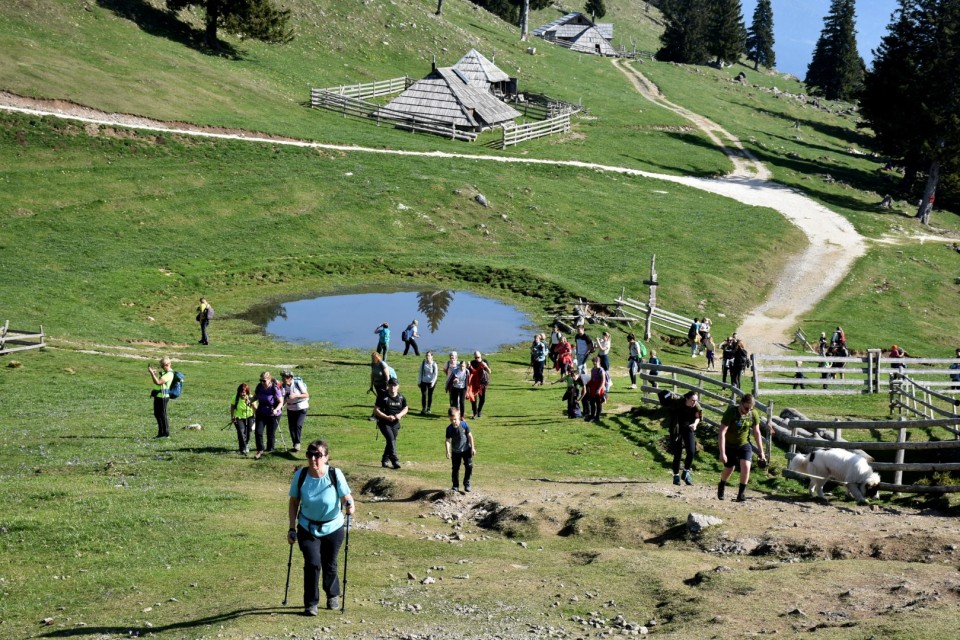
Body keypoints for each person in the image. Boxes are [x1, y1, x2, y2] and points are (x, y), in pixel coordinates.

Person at [287, 439, 355, 615]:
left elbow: (346, 496)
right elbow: (294, 501)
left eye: (318, 455)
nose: (313, 459)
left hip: (333, 527)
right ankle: (311, 603)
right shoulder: (301, 476)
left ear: (326, 457)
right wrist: (292, 528)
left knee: (329, 563)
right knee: (312, 563)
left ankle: (332, 594)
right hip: (307, 527)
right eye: (310, 454)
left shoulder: (335, 474)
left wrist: (349, 505)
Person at [718, 394, 767, 502]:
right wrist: (722, 452)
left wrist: (761, 452)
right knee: (730, 468)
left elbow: (757, 432)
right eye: (746, 408)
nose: (748, 411)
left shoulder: (753, 414)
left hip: (744, 444)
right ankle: (722, 484)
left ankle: (741, 494)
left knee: (746, 466)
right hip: (729, 444)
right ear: (740, 403)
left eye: (750, 408)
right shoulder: (731, 412)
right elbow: (722, 432)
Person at [667, 391, 702, 486]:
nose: (694, 402)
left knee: (691, 451)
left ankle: (686, 472)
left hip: (689, 429)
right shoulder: (678, 403)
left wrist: (695, 424)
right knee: (677, 454)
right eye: (692, 400)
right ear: (687, 399)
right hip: (676, 430)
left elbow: (698, 417)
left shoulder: (696, 406)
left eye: (696, 400)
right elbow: (668, 404)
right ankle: (676, 476)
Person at [374, 378, 408, 469]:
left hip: (395, 424)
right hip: (384, 422)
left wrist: (400, 415)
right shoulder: (382, 396)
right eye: (391, 385)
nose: (392, 387)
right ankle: (394, 460)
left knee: (391, 441)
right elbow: (376, 410)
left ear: (398, 386)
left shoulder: (401, 397)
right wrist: (386, 417)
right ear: (388, 386)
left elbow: (406, 408)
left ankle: (384, 460)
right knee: (391, 439)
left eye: (394, 385)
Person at [253, 371, 284, 459]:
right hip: (261, 412)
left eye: (264, 381)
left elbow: (281, 402)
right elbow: (256, 396)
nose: (262, 382)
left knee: (270, 433)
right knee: (258, 432)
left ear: (269, 380)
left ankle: (270, 450)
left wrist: (276, 409)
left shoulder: (275, 388)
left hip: (273, 413)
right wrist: (250, 400)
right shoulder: (259, 387)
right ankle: (260, 450)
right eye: (261, 380)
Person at [445, 407, 476, 492]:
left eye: (455, 419)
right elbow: (448, 440)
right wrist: (447, 451)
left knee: (469, 466)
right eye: (451, 420)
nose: (453, 422)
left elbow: (470, 436)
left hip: (466, 449)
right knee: (455, 468)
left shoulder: (464, 425)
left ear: (458, 416)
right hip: (456, 451)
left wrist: (472, 448)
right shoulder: (449, 429)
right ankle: (455, 485)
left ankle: (467, 483)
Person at [282, 370, 310, 453]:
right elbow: (284, 398)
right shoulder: (283, 386)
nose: (283, 378)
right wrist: (280, 407)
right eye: (282, 377)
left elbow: (306, 395)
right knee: (291, 427)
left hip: (301, 407)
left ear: (290, 377)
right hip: (290, 408)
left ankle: (297, 443)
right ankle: (295, 444)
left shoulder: (297, 383)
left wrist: (296, 395)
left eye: (285, 377)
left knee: (298, 425)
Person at [148, 357, 174, 438]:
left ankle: (166, 434)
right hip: (158, 396)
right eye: (161, 365)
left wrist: (152, 373)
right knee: (157, 414)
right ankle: (160, 433)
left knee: (163, 414)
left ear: (168, 364)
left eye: (163, 365)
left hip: (163, 397)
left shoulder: (169, 374)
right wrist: (155, 375)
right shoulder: (164, 372)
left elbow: (158, 382)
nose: (162, 367)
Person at [230, 382, 256, 454]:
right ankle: (242, 449)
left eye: (244, 392)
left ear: (247, 392)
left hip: (250, 417)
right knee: (241, 432)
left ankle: (246, 445)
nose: (242, 394)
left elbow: (255, 408)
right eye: (241, 392)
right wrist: (232, 416)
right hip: (238, 417)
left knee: (248, 433)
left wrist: (250, 402)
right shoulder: (235, 397)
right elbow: (232, 407)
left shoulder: (251, 398)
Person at [583, 355, 607, 422]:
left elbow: (603, 381)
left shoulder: (601, 370)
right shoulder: (593, 369)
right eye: (593, 362)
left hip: (600, 388)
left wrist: (599, 389)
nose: (594, 363)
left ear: (599, 362)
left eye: (596, 362)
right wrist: (588, 386)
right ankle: (592, 415)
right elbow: (592, 379)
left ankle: (597, 417)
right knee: (592, 402)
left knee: (598, 402)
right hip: (593, 388)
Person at [467, 351, 491, 419]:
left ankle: (479, 410)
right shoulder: (472, 362)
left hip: (482, 383)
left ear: (481, 356)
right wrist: (468, 366)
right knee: (473, 398)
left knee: (482, 399)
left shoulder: (485, 361)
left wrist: (485, 366)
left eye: (478, 357)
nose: (477, 358)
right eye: (476, 357)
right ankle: (475, 413)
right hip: (474, 383)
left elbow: (489, 371)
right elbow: (468, 372)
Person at [368, 352, 391, 420]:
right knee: (381, 399)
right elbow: (372, 375)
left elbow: (387, 376)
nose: (372, 359)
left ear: (377, 357)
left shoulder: (382, 364)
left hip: (383, 385)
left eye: (373, 358)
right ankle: (383, 414)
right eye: (371, 357)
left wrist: (387, 386)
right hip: (376, 385)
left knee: (379, 399)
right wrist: (371, 386)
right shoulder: (373, 364)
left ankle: (375, 415)